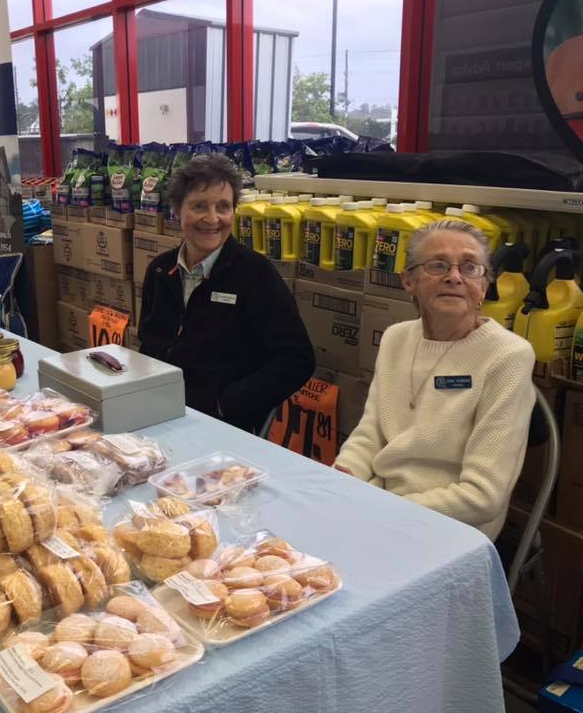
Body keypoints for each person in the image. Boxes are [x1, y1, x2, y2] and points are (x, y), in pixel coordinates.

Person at [333, 219, 535, 541]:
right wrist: (341, 479)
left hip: (450, 527)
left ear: (483, 287)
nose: (454, 277)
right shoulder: (396, 339)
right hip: (378, 505)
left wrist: (380, 509)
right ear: (408, 281)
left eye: (470, 268)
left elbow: (483, 497)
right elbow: (370, 432)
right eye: (438, 265)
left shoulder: (508, 356)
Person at [138, 153, 315, 433]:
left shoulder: (255, 274)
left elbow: (297, 359)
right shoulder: (160, 271)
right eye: (199, 206)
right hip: (159, 412)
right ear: (176, 210)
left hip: (224, 424)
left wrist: (227, 403)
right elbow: (148, 343)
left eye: (223, 207)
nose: (213, 219)